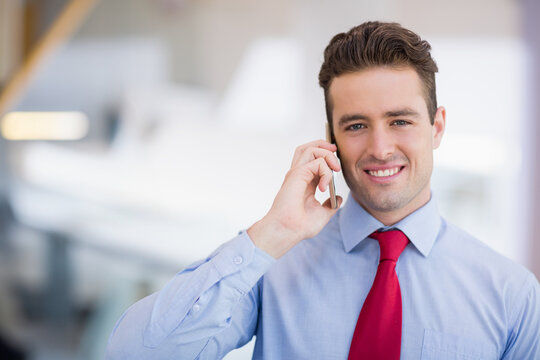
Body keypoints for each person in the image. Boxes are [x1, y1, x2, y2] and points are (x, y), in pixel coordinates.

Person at [105, 21, 540, 359]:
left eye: (400, 121)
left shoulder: (510, 293)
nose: (380, 148)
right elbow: (136, 353)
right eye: (356, 126)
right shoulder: (273, 265)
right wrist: (272, 234)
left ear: (437, 127)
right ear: (329, 139)